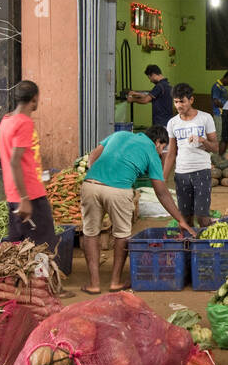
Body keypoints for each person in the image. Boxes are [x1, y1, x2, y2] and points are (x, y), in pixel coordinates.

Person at [80, 126, 195, 294]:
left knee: (90, 233)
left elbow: (92, 157)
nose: (161, 152)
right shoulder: (151, 151)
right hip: (118, 191)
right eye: (162, 148)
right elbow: (161, 191)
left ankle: (94, 284)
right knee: (122, 235)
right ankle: (115, 282)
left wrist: (97, 175)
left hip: (90, 185)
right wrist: (180, 219)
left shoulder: (119, 135)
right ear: (158, 142)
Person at [0, 80, 61, 257]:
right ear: (34, 100)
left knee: (20, 248)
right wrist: (24, 198)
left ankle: (24, 284)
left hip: (13, 195)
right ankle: (43, 284)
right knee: (43, 246)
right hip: (30, 196)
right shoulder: (24, 123)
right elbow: (15, 161)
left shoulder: (6, 121)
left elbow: (3, 155)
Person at [164, 82, 219, 229]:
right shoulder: (172, 123)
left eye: (182, 101)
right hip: (181, 173)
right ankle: (188, 249)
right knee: (184, 218)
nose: (179, 105)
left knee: (202, 217)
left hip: (202, 171)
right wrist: (162, 178)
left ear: (191, 100)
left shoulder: (205, 118)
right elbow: (171, 154)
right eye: (176, 102)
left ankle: (204, 248)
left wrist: (202, 140)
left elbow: (215, 147)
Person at [127, 64, 173, 130]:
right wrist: (135, 93)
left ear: (153, 74)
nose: (150, 81)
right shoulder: (167, 85)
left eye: (149, 78)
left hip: (160, 123)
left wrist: (132, 99)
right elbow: (149, 96)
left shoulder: (159, 86)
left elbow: (145, 100)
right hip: (167, 122)